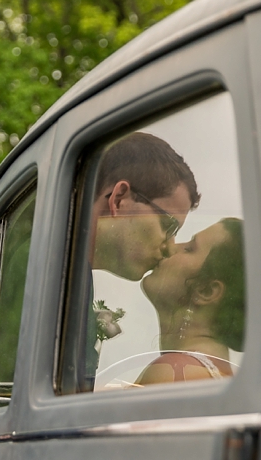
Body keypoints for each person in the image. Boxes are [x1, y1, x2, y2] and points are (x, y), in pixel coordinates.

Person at [80, 131, 201, 391]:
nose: (170, 249)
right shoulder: (41, 274)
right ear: (120, 199)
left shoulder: (70, 276)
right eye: (168, 227)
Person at [137, 217, 245, 384]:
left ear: (206, 291)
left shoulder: (173, 372)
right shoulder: (214, 374)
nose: (171, 248)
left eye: (189, 249)